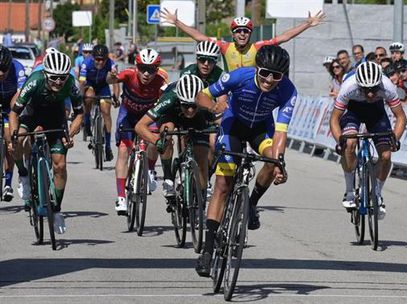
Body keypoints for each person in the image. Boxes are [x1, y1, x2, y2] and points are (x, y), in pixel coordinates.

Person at [193, 45, 294, 277]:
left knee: (273, 161)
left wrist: (279, 163)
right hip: (233, 127)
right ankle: (207, 251)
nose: (269, 80)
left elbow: (281, 132)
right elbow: (202, 95)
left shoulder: (289, 91)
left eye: (276, 76)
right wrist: (214, 107)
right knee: (222, 185)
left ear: (283, 76)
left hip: (261, 129)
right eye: (264, 73)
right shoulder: (239, 76)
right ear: (256, 69)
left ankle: (252, 203)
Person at [8, 51, 84, 234]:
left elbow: (80, 114)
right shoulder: (34, 81)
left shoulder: (71, 86)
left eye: (62, 78)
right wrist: (13, 135)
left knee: (60, 165)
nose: (58, 82)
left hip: (55, 117)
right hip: (31, 114)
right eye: (54, 78)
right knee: (19, 142)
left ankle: (56, 210)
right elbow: (14, 113)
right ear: (45, 74)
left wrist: (70, 133)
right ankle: (24, 175)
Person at [329, 61, 406, 216]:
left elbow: (401, 117)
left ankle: (376, 194)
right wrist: (340, 141)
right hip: (353, 112)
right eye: (366, 90)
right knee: (349, 144)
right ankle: (349, 191)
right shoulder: (348, 86)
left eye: (374, 89)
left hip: (376, 113)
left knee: (386, 155)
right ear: (359, 85)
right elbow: (334, 119)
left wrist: (395, 139)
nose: (370, 93)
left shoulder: (387, 86)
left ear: (379, 83)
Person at [135, 75, 215, 205]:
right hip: (171, 113)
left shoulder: (206, 97)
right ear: (180, 99)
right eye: (186, 105)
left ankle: (200, 195)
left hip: (199, 118)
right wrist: (157, 141)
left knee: (203, 154)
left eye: (194, 106)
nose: (189, 110)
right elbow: (140, 126)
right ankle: (168, 180)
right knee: (166, 133)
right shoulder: (170, 98)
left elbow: (221, 121)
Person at [106, 48, 169, 214]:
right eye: (143, 69)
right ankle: (121, 197)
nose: (146, 74)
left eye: (151, 70)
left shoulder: (161, 81)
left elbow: (166, 101)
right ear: (137, 67)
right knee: (123, 151)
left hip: (148, 117)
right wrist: (111, 76)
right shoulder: (129, 74)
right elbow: (110, 80)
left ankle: (150, 170)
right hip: (128, 114)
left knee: (155, 140)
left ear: (157, 69)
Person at [160, 11, 324, 72]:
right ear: (233, 34)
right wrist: (177, 22)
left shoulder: (258, 46)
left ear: (250, 33)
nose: (243, 34)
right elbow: (199, 37)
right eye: (239, 31)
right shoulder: (225, 47)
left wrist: (308, 24)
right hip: (231, 93)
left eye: (246, 31)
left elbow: (284, 37)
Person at [79, 44, 120, 161]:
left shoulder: (111, 64)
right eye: (97, 59)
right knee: (89, 96)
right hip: (90, 85)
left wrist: (116, 97)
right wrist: (81, 96)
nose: (100, 62)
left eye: (103, 60)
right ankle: (86, 121)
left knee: (106, 110)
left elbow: (116, 81)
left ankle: (107, 146)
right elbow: (81, 82)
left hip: (103, 87)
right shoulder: (86, 63)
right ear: (93, 58)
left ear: (106, 59)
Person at [0, 46, 26, 201]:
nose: (1, 74)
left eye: (4, 70)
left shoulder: (18, 68)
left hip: (11, 104)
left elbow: (21, 95)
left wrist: (13, 114)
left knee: (10, 139)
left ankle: (8, 184)